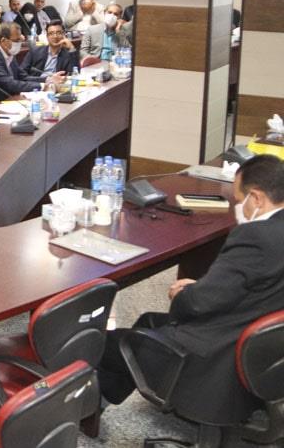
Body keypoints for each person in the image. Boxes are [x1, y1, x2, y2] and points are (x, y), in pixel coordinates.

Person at [97, 155, 284, 425]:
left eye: (239, 200)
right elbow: (254, 283)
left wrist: (183, 294)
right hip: (263, 351)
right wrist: (203, 287)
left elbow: (196, 305)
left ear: (256, 198)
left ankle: (84, 409)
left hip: (215, 358)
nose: (237, 208)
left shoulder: (255, 237)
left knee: (103, 342)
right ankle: (100, 404)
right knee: (147, 322)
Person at [0, 23, 65, 104]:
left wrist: (48, 79)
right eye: (16, 40)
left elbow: (22, 77)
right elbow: (10, 84)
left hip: (7, 100)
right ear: (4, 41)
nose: (19, 43)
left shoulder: (9, 54)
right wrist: (43, 86)